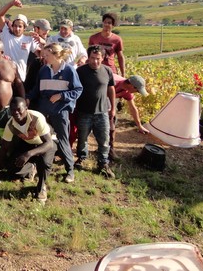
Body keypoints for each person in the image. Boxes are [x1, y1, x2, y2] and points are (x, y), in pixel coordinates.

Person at [26, 43, 82, 183]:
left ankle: (70, 171)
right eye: (43, 55)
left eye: (47, 55)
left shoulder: (69, 70)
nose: (44, 58)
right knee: (40, 139)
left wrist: (61, 96)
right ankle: (36, 169)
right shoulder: (44, 70)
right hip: (43, 111)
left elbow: (78, 90)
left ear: (56, 55)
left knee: (63, 139)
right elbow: (37, 89)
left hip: (60, 111)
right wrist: (28, 97)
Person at [0, 97, 57, 203]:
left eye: (19, 109)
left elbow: (49, 143)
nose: (16, 113)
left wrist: (28, 154)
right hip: (29, 144)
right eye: (12, 110)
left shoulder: (37, 118)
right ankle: (31, 169)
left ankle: (41, 187)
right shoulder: (11, 124)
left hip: (46, 144)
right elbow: (4, 148)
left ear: (26, 108)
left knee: (44, 163)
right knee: (13, 166)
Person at [74, 45, 116, 178]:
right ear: (88, 57)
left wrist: (113, 108)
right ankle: (81, 158)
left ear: (102, 58)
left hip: (102, 112)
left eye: (98, 58)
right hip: (83, 111)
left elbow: (111, 89)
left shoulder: (107, 71)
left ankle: (103, 163)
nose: (95, 61)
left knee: (104, 139)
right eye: (92, 58)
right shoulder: (80, 71)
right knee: (82, 138)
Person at [0, 0, 41, 82]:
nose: (17, 28)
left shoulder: (29, 39)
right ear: (12, 26)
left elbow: (40, 54)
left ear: (24, 28)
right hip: (5, 78)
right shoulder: (5, 34)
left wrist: (43, 42)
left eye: (20, 26)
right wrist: (11, 3)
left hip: (21, 79)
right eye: (15, 26)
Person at [112, 74, 150, 159]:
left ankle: (108, 149)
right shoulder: (113, 81)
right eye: (137, 90)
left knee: (112, 122)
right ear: (131, 86)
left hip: (105, 101)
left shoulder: (127, 91)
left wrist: (139, 126)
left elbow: (133, 108)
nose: (137, 92)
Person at [88, 12, 125, 77]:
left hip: (110, 71)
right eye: (105, 22)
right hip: (95, 70)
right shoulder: (93, 38)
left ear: (113, 25)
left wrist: (123, 74)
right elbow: (88, 55)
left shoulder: (117, 39)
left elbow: (120, 57)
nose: (106, 24)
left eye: (109, 23)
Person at [24, 18, 52, 93]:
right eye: (44, 29)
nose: (46, 32)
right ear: (36, 29)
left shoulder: (50, 39)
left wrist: (44, 44)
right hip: (30, 75)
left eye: (47, 30)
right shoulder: (30, 39)